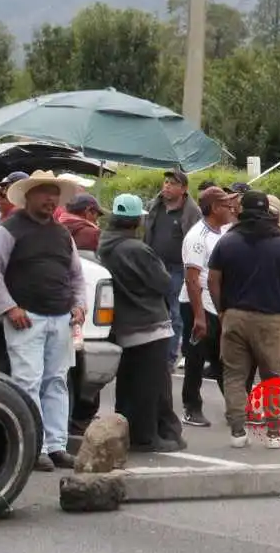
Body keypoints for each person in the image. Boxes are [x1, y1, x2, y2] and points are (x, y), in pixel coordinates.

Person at [0, 170, 86, 472]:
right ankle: (33, 445)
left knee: (56, 382)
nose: (50, 199)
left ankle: (57, 446)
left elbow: (76, 275)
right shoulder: (9, 230)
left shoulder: (63, 234)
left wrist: (79, 305)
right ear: (28, 196)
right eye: (43, 193)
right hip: (27, 317)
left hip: (60, 316)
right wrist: (9, 308)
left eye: (54, 194)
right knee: (28, 382)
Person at [208, 190, 280, 450]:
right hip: (272, 319)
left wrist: (221, 310)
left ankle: (238, 432)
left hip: (235, 316)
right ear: (268, 213)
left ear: (241, 211)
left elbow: (212, 279)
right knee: (273, 377)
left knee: (235, 376)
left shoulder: (227, 241)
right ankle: (273, 434)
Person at [97, 194, 186, 453]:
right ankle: (147, 437)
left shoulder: (105, 245)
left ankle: (127, 432)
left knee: (129, 384)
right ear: (137, 221)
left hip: (123, 325)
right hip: (149, 324)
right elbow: (164, 282)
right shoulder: (137, 249)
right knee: (152, 385)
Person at [178, 186, 240, 427]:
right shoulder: (197, 236)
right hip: (197, 304)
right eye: (225, 205)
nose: (230, 208)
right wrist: (199, 317)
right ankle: (191, 407)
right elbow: (192, 278)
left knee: (222, 359)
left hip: (215, 305)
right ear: (214, 208)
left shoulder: (221, 232)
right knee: (195, 358)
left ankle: (235, 407)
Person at [144, 170, 202, 370]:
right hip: (154, 265)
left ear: (184, 189)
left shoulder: (191, 212)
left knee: (175, 315)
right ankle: (152, 355)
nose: (167, 186)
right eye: (166, 182)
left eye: (172, 183)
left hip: (178, 269)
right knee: (152, 311)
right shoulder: (155, 205)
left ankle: (168, 359)